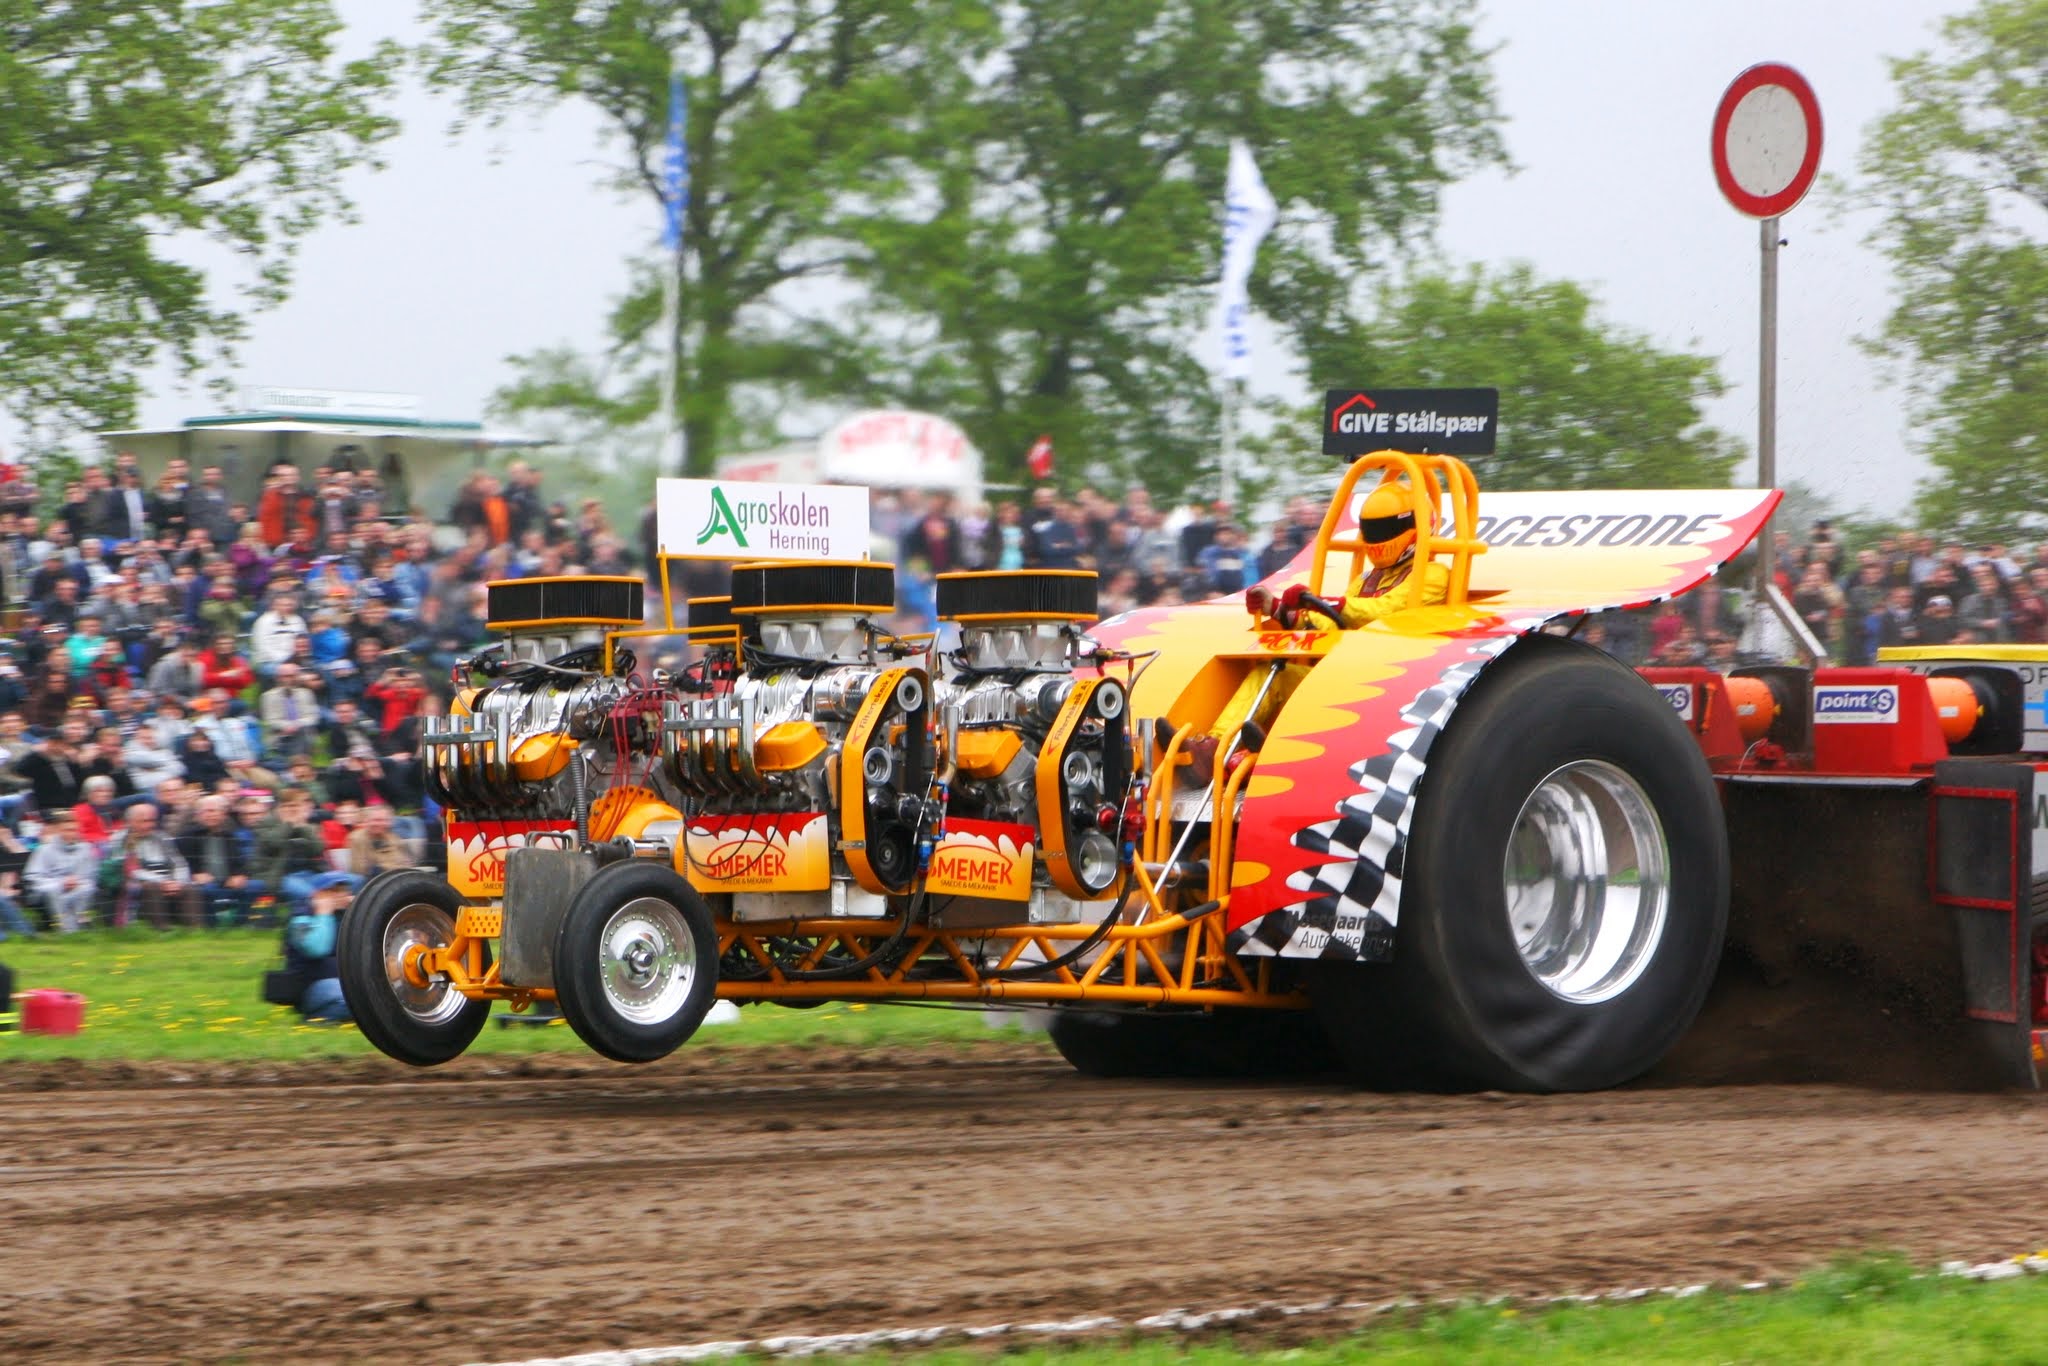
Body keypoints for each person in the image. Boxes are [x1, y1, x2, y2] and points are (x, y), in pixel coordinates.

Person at [1186, 478, 1451, 785]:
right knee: (1273, 672)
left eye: (1387, 529)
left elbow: (1385, 611)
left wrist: (1336, 604)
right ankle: (1216, 749)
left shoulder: (1433, 575)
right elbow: (1332, 623)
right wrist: (1282, 611)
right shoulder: (1366, 580)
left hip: (1393, 688)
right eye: (1373, 530)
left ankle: (1264, 757)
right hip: (1346, 677)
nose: (1378, 537)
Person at [109, 803, 201, 928]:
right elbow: (130, 870)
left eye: (152, 821)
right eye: (144, 821)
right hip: (137, 882)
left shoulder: (162, 837)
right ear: (130, 822)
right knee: (151, 887)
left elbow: (179, 864)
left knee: (190, 888)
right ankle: (161, 928)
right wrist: (162, 881)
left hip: (168, 880)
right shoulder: (120, 839)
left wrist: (178, 882)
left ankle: (195, 930)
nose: (149, 825)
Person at [284, 875, 354, 1023]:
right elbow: (316, 949)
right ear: (318, 894)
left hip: (341, 982)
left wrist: (359, 911)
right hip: (309, 986)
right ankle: (314, 1018)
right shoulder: (301, 917)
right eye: (334, 891)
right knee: (354, 1000)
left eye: (344, 890)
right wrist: (323, 914)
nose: (342, 895)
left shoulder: (346, 916)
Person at [24, 809, 99, 932]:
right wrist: (61, 883)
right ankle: (65, 928)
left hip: (77, 888)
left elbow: (90, 876)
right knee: (53, 891)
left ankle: (75, 927)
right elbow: (33, 877)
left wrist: (76, 882)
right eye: (67, 830)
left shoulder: (86, 849)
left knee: (87, 888)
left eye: (74, 830)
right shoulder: (44, 850)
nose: (72, 834)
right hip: (50, 889)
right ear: (57, 831)